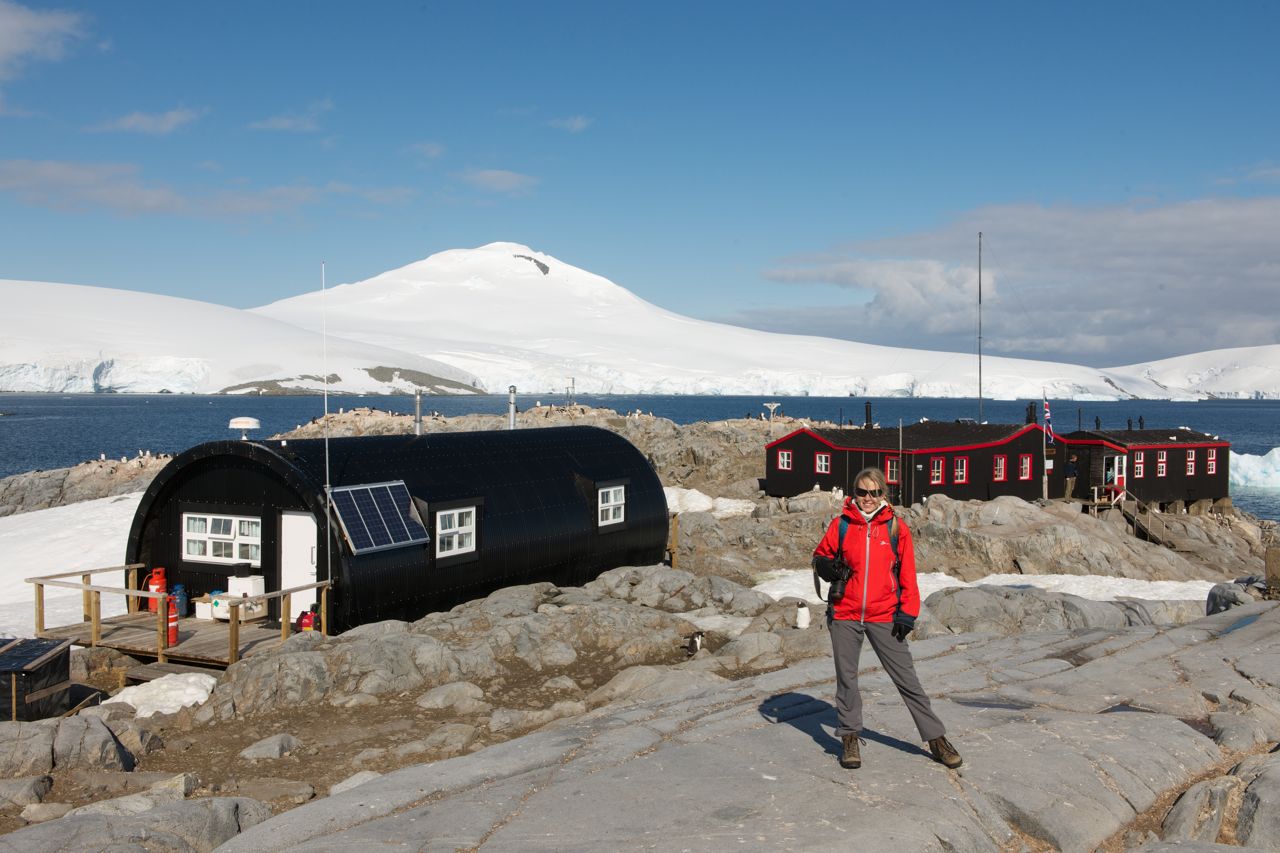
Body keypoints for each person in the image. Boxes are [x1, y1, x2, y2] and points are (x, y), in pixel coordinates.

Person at [811, 467, 962, 771]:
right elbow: (820, 556)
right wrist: (826, 567)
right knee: (846, 679)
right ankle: (849, 737)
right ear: (854, 493)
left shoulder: (896, 528)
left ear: (883, 494)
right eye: (862, 492)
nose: (868, 498)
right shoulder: (841, 525)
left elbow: (907, 576)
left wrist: (907, 614)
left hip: (884, 614)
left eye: (874, 492)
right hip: (845, 613)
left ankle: (936, 739)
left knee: (907, 679)